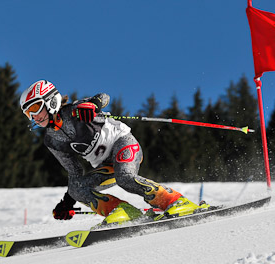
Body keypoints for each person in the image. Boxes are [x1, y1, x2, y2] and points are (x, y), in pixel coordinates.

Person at [19, 80, 208, 225]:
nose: (34, 116)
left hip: (124, 144)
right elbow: (74, 172)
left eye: (35, 108)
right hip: (105, 165)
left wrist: (93, 104)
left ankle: (175, 201)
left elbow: (104, 97)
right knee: (77, 188)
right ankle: (123, 212)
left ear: (50, 101)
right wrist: (68, 201)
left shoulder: (75, 110)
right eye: (29, 113)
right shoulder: (52, 140)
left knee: (125, 177)